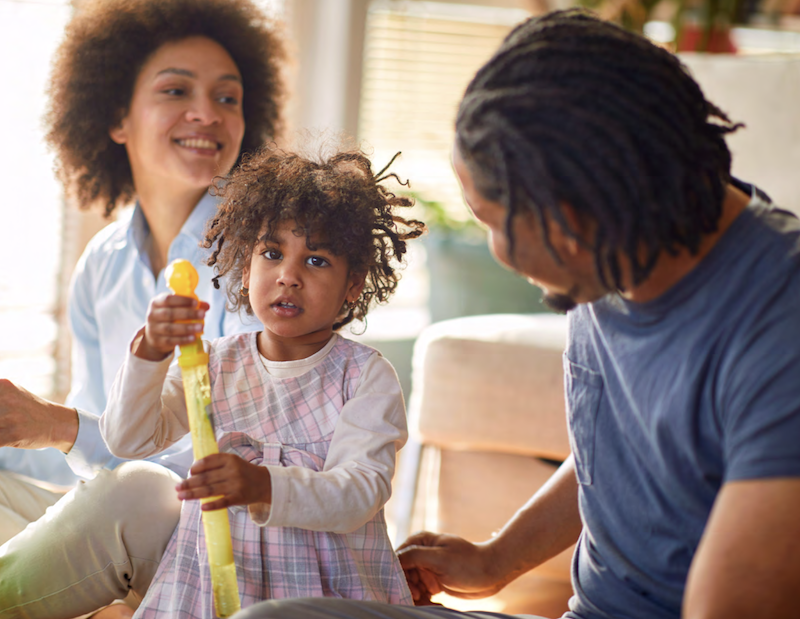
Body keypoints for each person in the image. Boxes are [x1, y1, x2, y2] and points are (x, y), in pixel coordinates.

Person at [226, 9, 800, 619]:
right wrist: (497, 559)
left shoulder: (779, 320)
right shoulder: (627, 249)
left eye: (497, 222)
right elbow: (622, 447)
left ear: (586, 205)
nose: (498, 254)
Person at [0, 0, 284, 616]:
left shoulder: (267, 257)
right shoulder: (101, 262)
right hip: (124, 520)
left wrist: (58, 425)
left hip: (227, 537)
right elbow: (94, 453)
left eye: (228, 98)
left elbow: (240, 459)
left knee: (138, 491)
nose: (207, 114)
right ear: (116, 118)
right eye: (176, 89)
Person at [98, 144, 425, 615]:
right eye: (272, 253)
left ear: (353, 284)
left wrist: (263, 485)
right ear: (246, 264)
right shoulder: (211, 363)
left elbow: (360, 492)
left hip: (326, 596)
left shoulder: (365, 376)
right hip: (212, 587)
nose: (288, 276)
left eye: (316, 261)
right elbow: (126, 438)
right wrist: (150, 351)